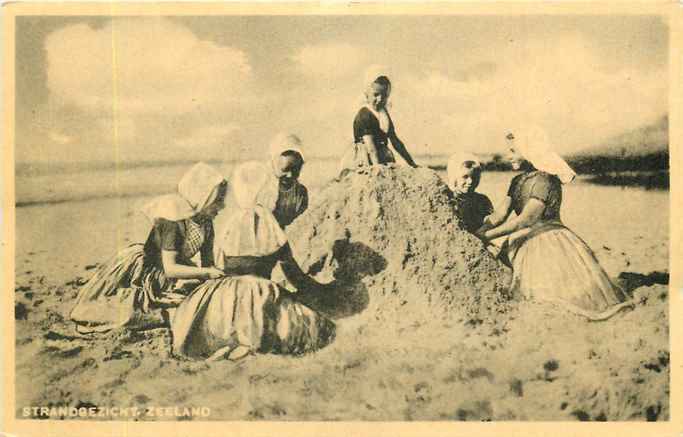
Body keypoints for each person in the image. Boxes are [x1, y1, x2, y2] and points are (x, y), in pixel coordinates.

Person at [170, 161, 335, 361]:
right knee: (317, 330)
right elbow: (294, 275)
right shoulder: (269, 225)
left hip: (224, 296)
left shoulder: (230, 225)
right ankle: (245, 346)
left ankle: (227, 346)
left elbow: (217, 268)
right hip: (258, 294)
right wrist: (321, 292)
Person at [475, 128, 633, 320]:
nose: (508, 156)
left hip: (549, 239)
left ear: (529, 150)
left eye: (513, 151)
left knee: (556, 294)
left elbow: (526, 219)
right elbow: (500, 214)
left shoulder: (545, 179)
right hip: (523, 238)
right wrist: (477, 232)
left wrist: (486, 237)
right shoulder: (517, 180)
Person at [70, 162, 228, 334]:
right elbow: (170, 268)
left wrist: (215, 275)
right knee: (132, 312)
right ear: (201, 198)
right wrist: (206, 273)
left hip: (174, 272)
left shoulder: (206, 224)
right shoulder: (173, 220)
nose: (222, 206)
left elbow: (208, 263)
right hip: (148, 271)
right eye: (218, 201)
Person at [339, 69, 418, 175]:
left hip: (382, 154)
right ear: (367, 94)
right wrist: (377, 168)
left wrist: (411, 163)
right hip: (365, 156)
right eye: (376, 95)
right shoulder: (364, 114)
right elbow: (370, 147)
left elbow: (395, 140)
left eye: (384, 96)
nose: (380, 99)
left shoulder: (383, 114)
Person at [258, 133, 309, 229]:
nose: (290, 175)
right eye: (285, 169)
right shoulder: (261, 190)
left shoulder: (300, 192)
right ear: (272, 164)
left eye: (295, 170)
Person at [447, 152, 494, 233]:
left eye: (474, 177)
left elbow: (491, 222)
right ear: (453, 177)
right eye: (465, 177)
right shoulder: (448, 199)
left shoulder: (482, 200)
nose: (470, 181)